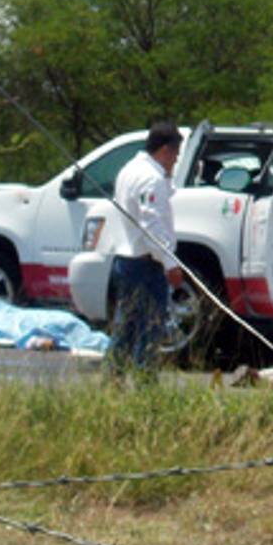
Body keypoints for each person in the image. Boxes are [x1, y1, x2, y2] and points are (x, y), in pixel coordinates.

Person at [106, 121, 184, 377]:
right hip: (145, 263)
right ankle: (145, 382)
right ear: (165, 150)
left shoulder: (130, 170)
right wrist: (171, 263)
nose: (175, 161)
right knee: (150, 327)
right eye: (175, 155)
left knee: (125, 325)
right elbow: (152, 226)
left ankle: (113, 378)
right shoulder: (151, 179)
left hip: (125, 259)